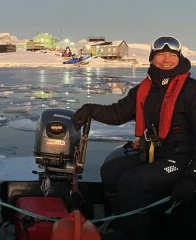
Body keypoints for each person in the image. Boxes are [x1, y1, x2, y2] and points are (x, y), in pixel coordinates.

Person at [72, 36, 196, 240]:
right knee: (110, 171)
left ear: (179, 57)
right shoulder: (145, 88)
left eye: (172, 55)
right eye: (161, 55)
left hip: (181, 158)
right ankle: (125, 221)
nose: (166, 59)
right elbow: (119, 113)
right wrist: (90, 109)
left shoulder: (191, 90)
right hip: (155, 153)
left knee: (133, 182)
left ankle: (135, 234)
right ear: (152, 58)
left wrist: (192, 176)